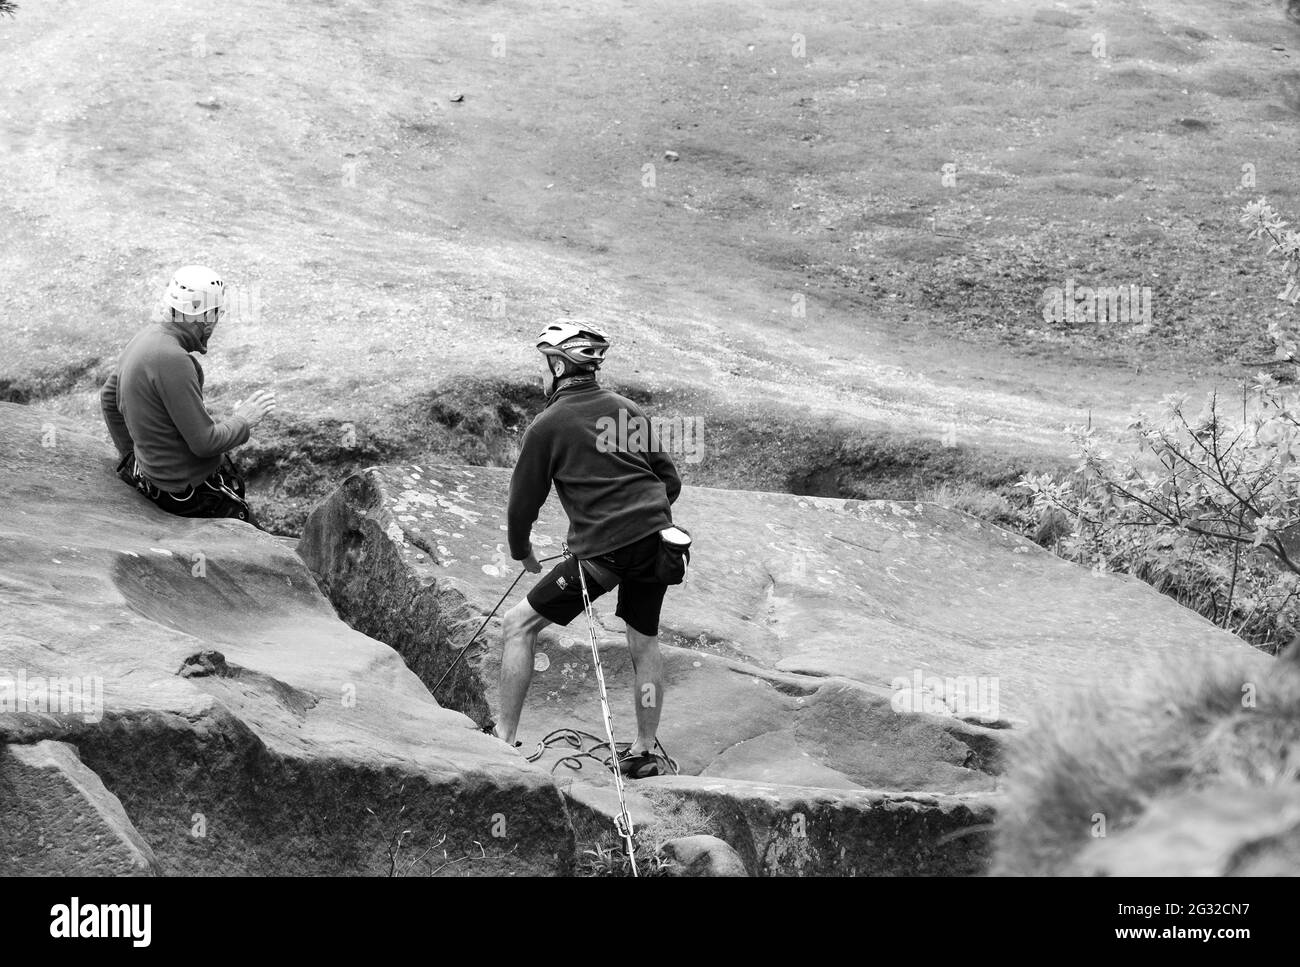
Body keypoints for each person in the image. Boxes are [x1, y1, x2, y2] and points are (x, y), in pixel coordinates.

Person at [497, 321, 688, 778]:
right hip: (658, 543)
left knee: (518, 624)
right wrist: (638, 519)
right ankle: (643, 753)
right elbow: (670, 480)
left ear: (560, 366)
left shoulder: (547, 426)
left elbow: (522, 504)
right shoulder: (626, 410)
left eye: (545, 364)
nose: (542, 374)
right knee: (643, 642)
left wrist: (522, 551)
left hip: (606, 551)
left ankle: (502, 740)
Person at [99, 265, 275, 523]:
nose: (215, 323)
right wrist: (244, 420)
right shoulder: (174, 360)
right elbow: (205, 443)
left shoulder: (145, 338)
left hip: (152, 480)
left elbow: (108, 399)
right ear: (202, 317)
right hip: (186, 496)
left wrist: (133, 459)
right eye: (216, 314)